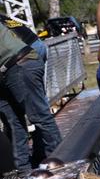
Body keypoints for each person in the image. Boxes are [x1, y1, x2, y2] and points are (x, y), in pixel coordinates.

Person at [0, 16, 62, 170]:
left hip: (19, 64)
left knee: (38, 115)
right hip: (6, 70)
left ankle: (58, 160)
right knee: (12, 121)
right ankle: (23, 168)